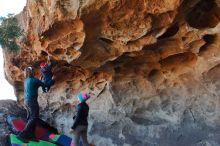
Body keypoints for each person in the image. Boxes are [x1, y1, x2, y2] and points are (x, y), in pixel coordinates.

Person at [17, 66, 58, 142]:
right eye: (33, 71)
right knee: (34, 118)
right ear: (31, 72)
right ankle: (22, 134)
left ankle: (31, 136)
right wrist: (52, 80)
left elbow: (38, 84)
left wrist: (40, 81)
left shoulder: (26, 80)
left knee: (31, 118)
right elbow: (45, 85)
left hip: (26, 101)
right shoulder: (33, 80)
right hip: (32, 101)